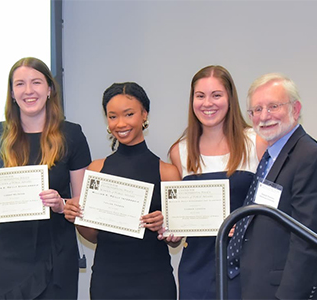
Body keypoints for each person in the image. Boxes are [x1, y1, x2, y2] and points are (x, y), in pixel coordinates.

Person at [0, 57, 89, 299]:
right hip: (7, 257)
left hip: (56, 255)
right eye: (20, 84)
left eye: (36, 82)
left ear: (49, 89)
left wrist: (62, 205)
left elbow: (82, 205)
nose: (28, 91)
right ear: (12, 93)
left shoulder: (72, 134)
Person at [63, 82, 181, 299]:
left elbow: (175, 239)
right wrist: (77, 217)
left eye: (129, 114)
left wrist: (164, 225)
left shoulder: (168, 172)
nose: (121, 123)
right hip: (108, 281)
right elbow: (93, 236)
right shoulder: (96, 169)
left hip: (154, 281)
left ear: (144, 114)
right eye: (112, 116)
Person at [166, 65, 263, 299]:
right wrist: (174, 230)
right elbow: (180, 218)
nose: (207, 103)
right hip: (197, 267)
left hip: (246, 266)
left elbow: (272, 208)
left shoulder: (256, 142)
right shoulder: (180, 151)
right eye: (200, 96)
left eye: (216, 95)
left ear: (230, 98)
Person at [230, 73, 317, 299]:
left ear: (295, 109)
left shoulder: (308, 156)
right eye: (256, 110)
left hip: (283, 292)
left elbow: (307, 239)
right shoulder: (271, 157)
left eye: (273, 106)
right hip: (255, 285)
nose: (264, 116)